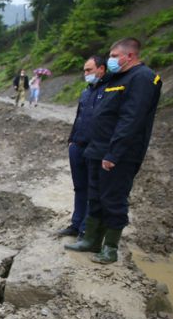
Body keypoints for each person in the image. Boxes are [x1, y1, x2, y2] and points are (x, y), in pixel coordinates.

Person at [65, 38, 162, 264]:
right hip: (96, 149)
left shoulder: (143, 78)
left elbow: (131, 120)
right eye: (110, 56)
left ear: (130, 56)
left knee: (113, 199)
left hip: (119, 154)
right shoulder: (115, 78)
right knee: (96, 197)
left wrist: (114, 153)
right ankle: (90, 240)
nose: (111, 60)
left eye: (115, 56)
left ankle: (110, 248)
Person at [56, 55, 107, 238]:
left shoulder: (109, 92)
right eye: (84, 70)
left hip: (94, 149)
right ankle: (76, 225)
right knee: (79, 188)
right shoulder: (86, 92)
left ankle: (87, 229)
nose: (85, 74)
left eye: (89, 70)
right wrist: (71, 140)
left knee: (93, 191)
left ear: (101, 69)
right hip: (78, 146)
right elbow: (79, 117)